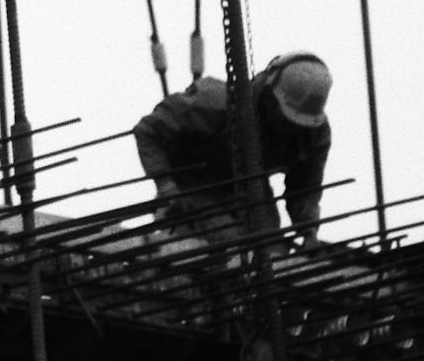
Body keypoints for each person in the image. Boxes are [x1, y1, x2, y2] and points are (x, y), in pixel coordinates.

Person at [133, 51, 333, 250]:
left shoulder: (312, 134)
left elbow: (305, 188)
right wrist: (166, 186)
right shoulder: (214, 103)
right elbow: (148, 131)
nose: (291, 128)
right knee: (230, 245)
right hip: (193, 185)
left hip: (251, 188)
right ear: (270, 97)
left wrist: (309, 231)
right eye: (286, 118)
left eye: (297, 123)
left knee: (272, 252)